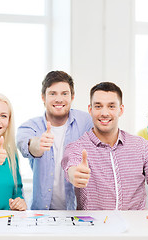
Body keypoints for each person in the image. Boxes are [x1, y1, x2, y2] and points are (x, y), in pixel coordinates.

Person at [62, 82, 148, 222]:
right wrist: (75, 174)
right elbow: (71, 167)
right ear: (90, 110)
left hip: (135, 229)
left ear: (121, 109)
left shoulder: (141, 147)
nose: (104, 113)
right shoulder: (77, 147)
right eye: (98, 106)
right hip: (93, 230)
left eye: (111, 106)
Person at [16, 71, 93, 210]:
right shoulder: (30, 126)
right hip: (41, 214)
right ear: (43, 97)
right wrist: (37, 145)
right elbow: (24, 144)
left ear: (72, 97)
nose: (59, 99)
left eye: (64, 93)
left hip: (78, 214)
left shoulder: (86, 122)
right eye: (52, 93)